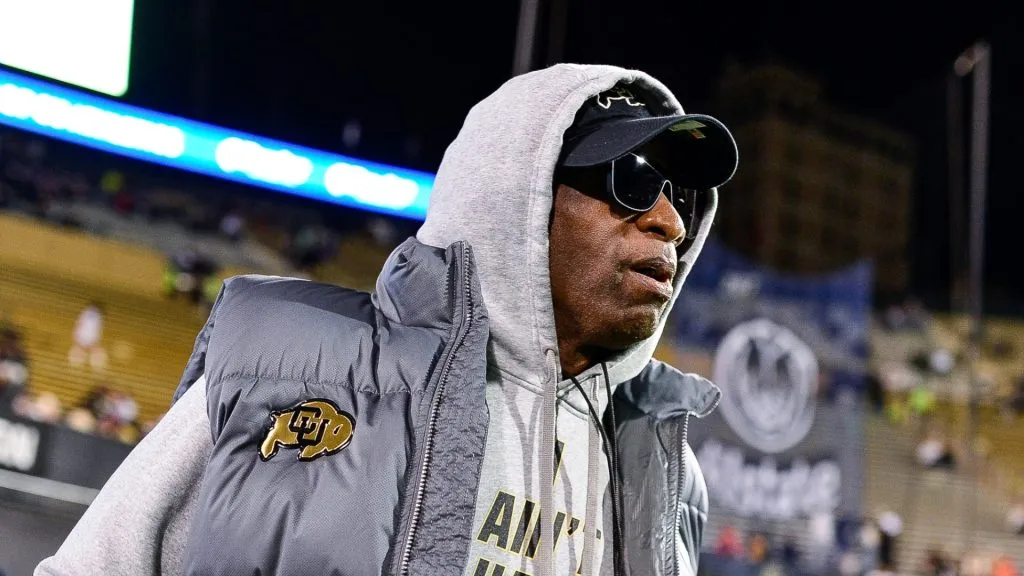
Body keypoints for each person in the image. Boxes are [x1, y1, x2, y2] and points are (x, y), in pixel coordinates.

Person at [36, 63, 738, 576]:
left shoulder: (666, 466)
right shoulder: (283, 371)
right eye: (633, 179)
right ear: (517, 199)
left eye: (679, 192)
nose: (669, 220)